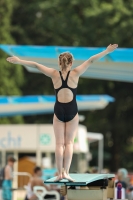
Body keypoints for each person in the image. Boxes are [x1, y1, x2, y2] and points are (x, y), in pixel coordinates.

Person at [7, 44, 118, 181]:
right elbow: (91, 60)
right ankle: (66, 173)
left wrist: (19, 61)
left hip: (59, 110)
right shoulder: (76, 72)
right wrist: (106, 51)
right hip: (72, 111)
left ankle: (59, 173)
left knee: (59, 144)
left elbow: (35, 65)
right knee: (69, 143)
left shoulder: (54, 74)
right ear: (71, 63)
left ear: (59, 63)